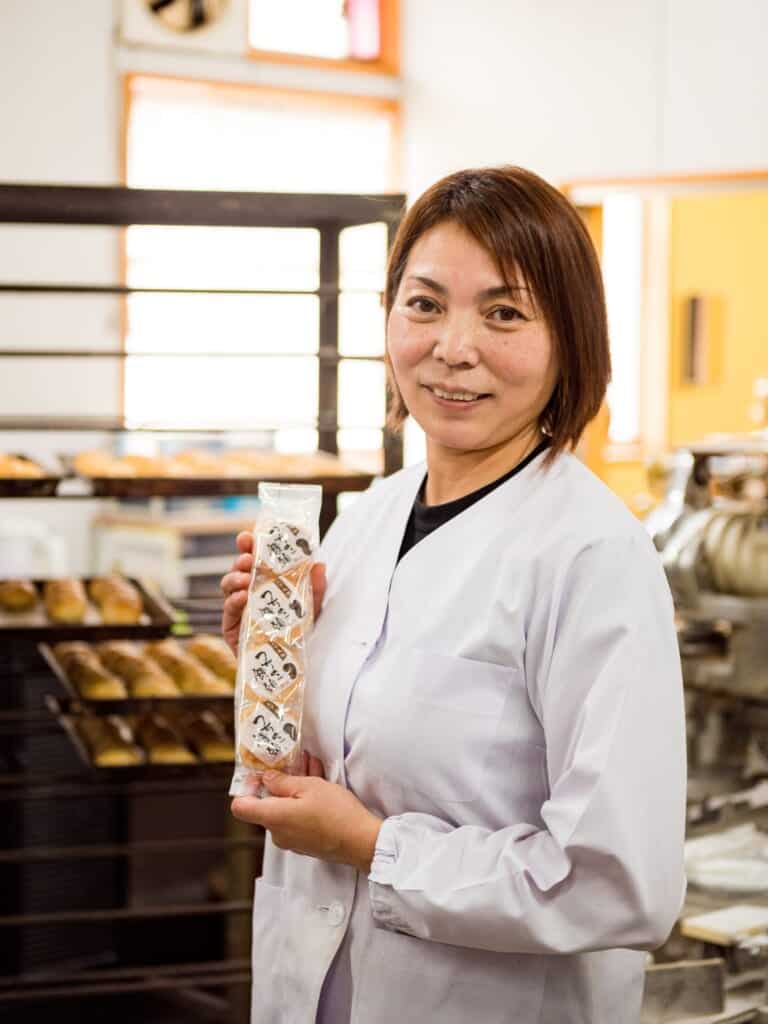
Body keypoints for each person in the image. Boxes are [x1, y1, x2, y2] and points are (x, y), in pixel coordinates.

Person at [220, 165, 687, 1024]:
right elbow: (351, 759)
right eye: (425, 304)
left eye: (504, 313)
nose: (453, 347)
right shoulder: (366, 520)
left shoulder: (593, 556)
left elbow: (621, 884)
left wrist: (372, 847)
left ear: (570, 341)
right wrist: (270, 670)